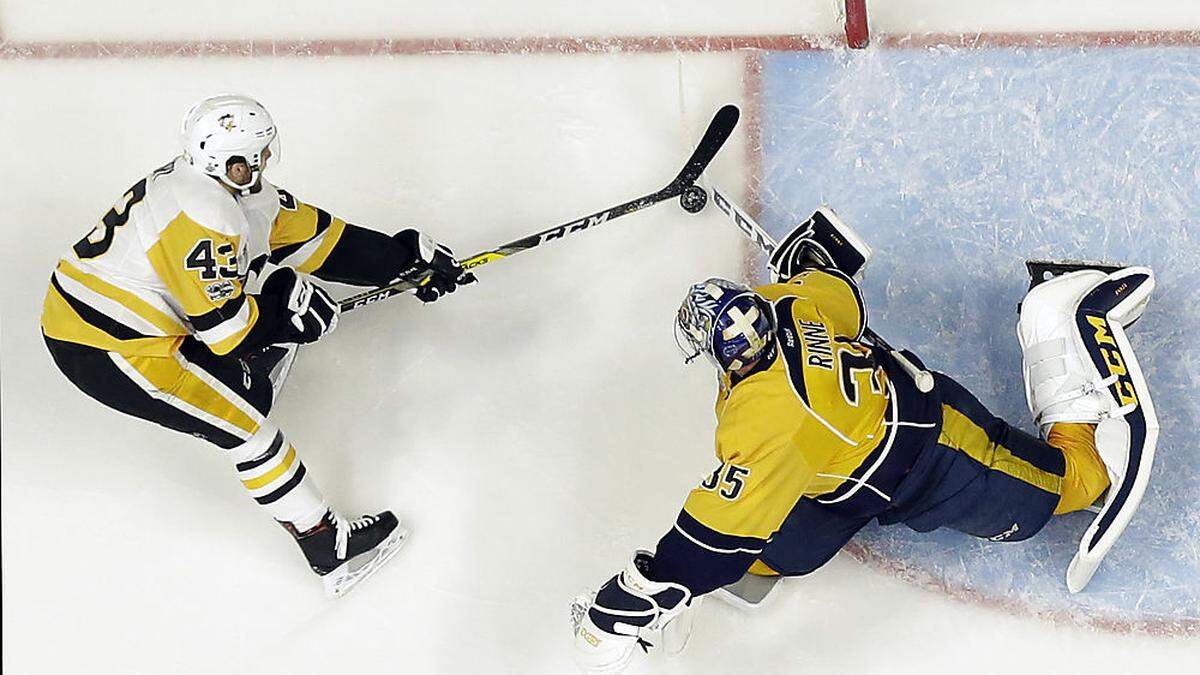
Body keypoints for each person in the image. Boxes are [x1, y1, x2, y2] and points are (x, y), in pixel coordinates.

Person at [570, 209, 1158, 672]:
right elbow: (839, 293)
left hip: (933, 450)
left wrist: (641, 594)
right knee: (778, 556)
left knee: (1076, 485)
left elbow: (715, 531)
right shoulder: (786, 304)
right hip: (841, 471)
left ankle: (1059, 317)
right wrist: (812, 264)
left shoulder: (770, 423)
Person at [40, 94, 476, 597]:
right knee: (250, 433)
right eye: (259, 154)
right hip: (107, 347)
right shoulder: (204, 215)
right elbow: (226, 334)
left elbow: (313, 236)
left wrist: (398, 258)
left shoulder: (215, 187)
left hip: (113, 309)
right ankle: (327, 547)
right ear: (232, 163)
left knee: (257, 352)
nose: (266, 161)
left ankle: (246, 381)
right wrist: (282, 316)